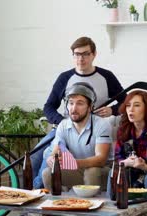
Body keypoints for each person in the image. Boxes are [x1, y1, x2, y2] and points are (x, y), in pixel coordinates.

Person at [31, 36, 125, 189]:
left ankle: (40, 189)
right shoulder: (65, 78)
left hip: (93, 128)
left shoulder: (106, 76)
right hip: (66, 128)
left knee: (52, 168)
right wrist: (62, 122)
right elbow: (49, 107)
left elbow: (125, 101)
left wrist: (112, 110)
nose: (81, 58)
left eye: (85, 54)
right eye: (77, 54)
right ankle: (36, 193)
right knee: (37, 156)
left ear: (94, 54)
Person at [42, 82, 113, 190]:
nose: (74, 108)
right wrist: (52, 158)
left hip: (102, 172)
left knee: (91, 172)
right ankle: (59, 205)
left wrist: (75, 162)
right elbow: (56, 151)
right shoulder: (63, 125)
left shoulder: (102, 124)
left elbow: (101, 160)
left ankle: (93, 205)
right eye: (71, 103)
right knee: (48, 173)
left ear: (90, 107)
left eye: (80, 103)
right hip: (78, 170)